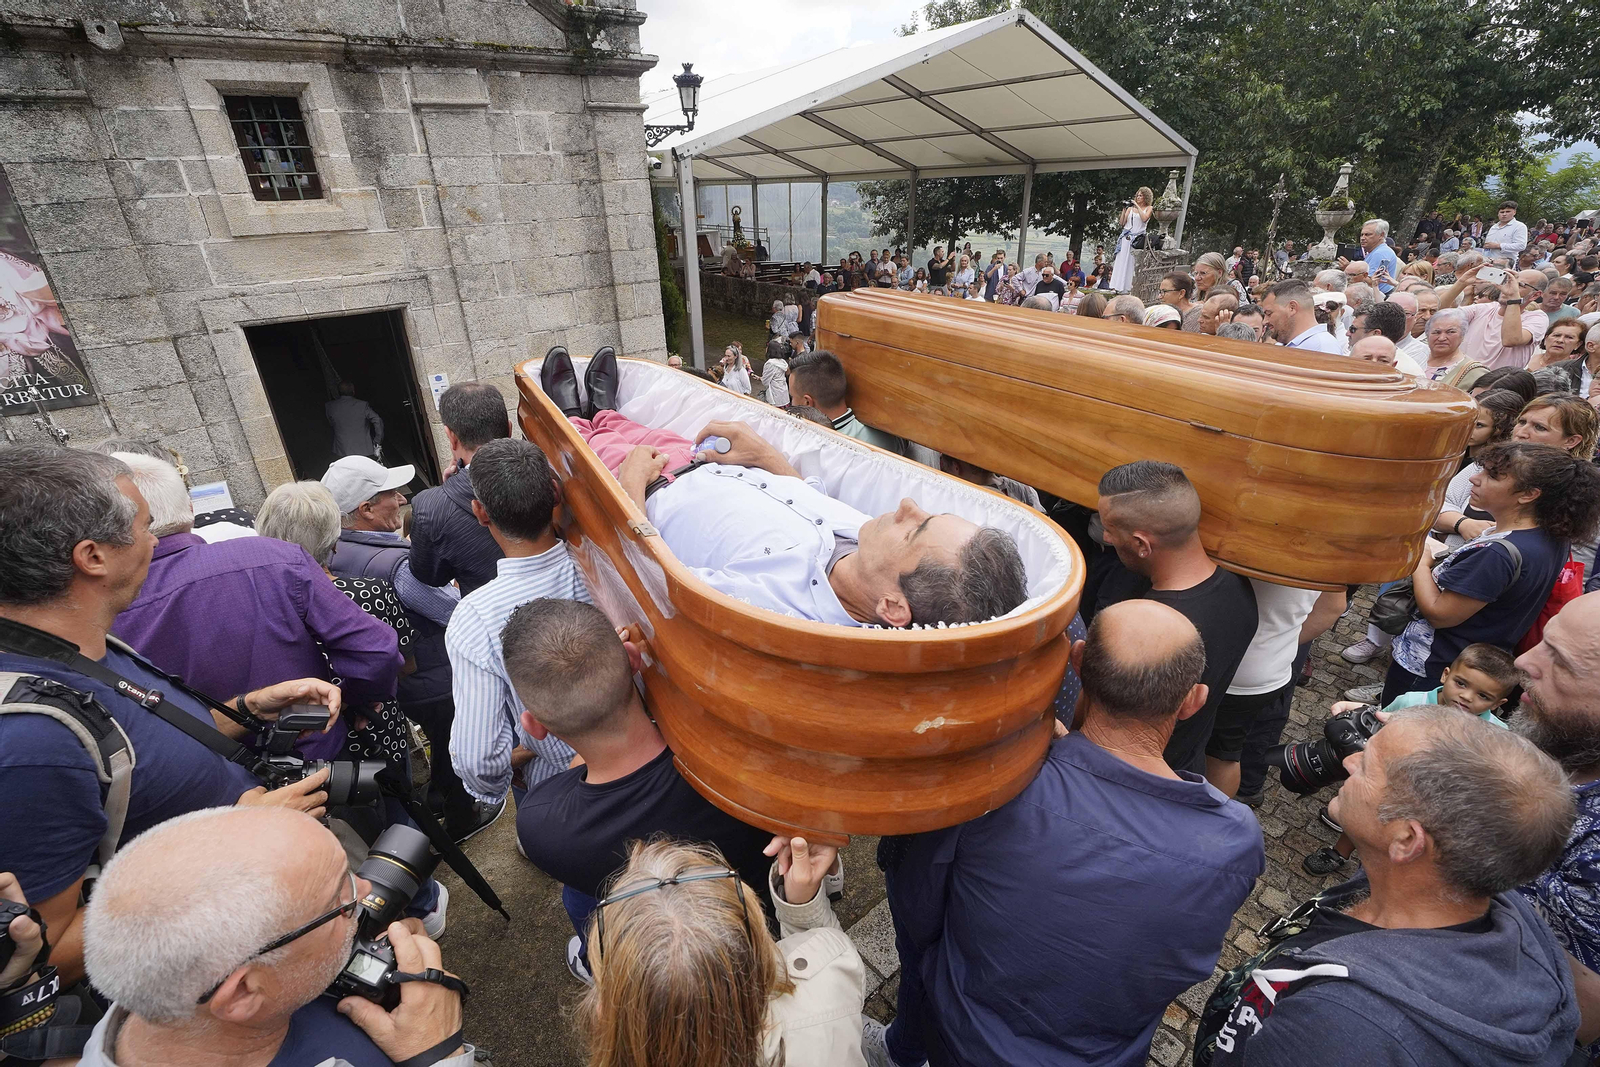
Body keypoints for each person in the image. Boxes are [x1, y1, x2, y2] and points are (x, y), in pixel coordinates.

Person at [0, 446, 340, 985]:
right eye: (143, 526)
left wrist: (247, 708)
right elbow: (44, 954)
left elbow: (136, 746)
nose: (157, 539)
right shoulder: (30, 741)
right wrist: (243, 843)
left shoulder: (81, 646)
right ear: (92, 556)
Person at [875, 601, 1264, 1067]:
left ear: (1076, 662)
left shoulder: (996, 786)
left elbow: (917, 911)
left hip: (962, 1041)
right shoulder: (1234, 841)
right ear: (1192, 701)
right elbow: (1179, 963)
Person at [1196, 707, 1579, 1067]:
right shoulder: (1466, 884)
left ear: (1406, 841)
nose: (1347, 761)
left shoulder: (1337, 1031)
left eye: (1366, 765)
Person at [503, 600, 779, 978]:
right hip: (763, 919)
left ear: (535, 726)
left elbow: (574, 782)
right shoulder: (743, 757)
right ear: (634, 659)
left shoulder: (540, 825)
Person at [78, 807, 474, 1067]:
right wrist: (439, 1053)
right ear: (243, 993)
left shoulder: (173, 986)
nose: (367, 892)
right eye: (341, 900)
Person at [112, 453, 402, 765]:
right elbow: (376, 650)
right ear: (191, 507)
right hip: (315, 761)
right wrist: (349, 701)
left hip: (206, 786)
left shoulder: (103, 607)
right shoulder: (275, 559)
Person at [607, 418, 1027, 628]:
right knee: (613, 417)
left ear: (893, 606)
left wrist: (628, 489)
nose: (906, 505)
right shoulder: (873, 548)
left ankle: (578, 412)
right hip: (693, 456)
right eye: (928, 515)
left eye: (914, 528)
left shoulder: (774, 609)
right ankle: (599, 409)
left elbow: (652, 585)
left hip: (645, 491)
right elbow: (810, 505)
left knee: (582, 429)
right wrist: (764, 454)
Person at [578, 837, 865, 1067]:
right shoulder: (831, 976)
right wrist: (801, 907)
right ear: (760, 953)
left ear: (610, 1008)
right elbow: (821, 952)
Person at [1387, 442, 1600, 703]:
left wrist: (1420, 560)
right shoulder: (1550, 537)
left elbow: (1439, 614)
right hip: (1477, 664)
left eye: (1491, 475)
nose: (1475, 479)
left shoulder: (1497, 554)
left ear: (1529, 494)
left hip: (1438, 667)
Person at [445, 438, 586, 807]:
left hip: (560, 787)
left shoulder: (475, 617)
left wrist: (501, 776)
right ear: (555, 493)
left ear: (480, 512)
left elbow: (477, 757)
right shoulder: (603, 567)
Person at [1092, 461, 1258, 774]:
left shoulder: (1149, 631)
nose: (1107, 538)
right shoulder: (1239, 590)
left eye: (1110, 531)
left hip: (1135, 777)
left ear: (1141, 544)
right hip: (1188, 763)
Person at [1306, 642, 1522, 875]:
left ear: (1498, 704)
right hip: (1389, 779)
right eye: (1461, 683)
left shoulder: (1496, 735)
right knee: (1364, 815)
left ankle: (1372, 872)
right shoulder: (1411, 702)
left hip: (1432, 803)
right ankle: (1340, 851)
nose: (1467, 697)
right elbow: (1380, 728)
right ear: (1445, 675)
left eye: (1483, 695)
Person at [407, 383, 509, 596]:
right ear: (509, 429)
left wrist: (445, 495)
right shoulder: (548, 471)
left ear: (451, 437)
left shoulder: (430, 506)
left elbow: (430, 575)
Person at [787, 350, 907, 456]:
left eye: (792, 396)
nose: (791, 402)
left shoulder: (810, 448)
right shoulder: (890, 438)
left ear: (807, 402)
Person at [1261, 279, 1343, 353]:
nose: (1265, 321)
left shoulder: (1323, 348)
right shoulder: (1286, 344)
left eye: (1269, 314)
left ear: (1292, 308)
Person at [1418, 308, 1489, 389]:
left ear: (1462, 335)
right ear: (1427, 335)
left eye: (1450, 332)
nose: (1441, 338)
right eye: (1436, 332)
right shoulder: (1415, 357)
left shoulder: (1474, 372)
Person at [1348, 301, 1424, 374]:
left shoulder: (1408, 374)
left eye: (1353, 329)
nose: (1347, 333)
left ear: (1376, 334)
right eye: (1366, 358)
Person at [1337, 218, 1401, 295]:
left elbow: (1372, 282)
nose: (1362, 238)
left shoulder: (1380, 253)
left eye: (1368, 234)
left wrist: (1349, 269)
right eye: (1362, 234)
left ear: (1381, 235)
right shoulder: (1377, 251)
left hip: (1377, 296)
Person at [325, 380, 384, 461]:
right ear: (353, 391)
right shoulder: (362, 405)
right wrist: (377, 441)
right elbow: (377, 420)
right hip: (364, 449)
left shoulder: (330, 406)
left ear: (338, 392)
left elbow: (331, 423)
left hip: (341, 450)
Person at [1535, 321, 1600, 395]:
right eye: (1557, 335)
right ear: (1590, 346)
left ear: (1578, 344)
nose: (1560, 340)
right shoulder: (1558, 369)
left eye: (1569, 337)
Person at [1109, 187, 1153, 292]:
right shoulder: (1130, 209)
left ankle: (1128, 287)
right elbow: (1122, 222)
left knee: (1131, 262)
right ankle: (1117, 286)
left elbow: (1144, 218)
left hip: (1137, 238)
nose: (1138, 197)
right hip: (1126, 236)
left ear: (1145, 197)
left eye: (1141, 195)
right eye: (1137, 195)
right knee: (1121, 260)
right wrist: (1124, 209)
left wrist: (1137, 206)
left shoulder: (1149, 208)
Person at [1483, 199, 1530, 267]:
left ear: (1514, 212)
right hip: (1488, 262)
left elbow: (1521, 246)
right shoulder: (1494, 227)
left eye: (1508, 212)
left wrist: (1498, 246)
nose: (1504, 214)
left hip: (1505, 264)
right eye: (1502, 212)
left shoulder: (1519, 226)